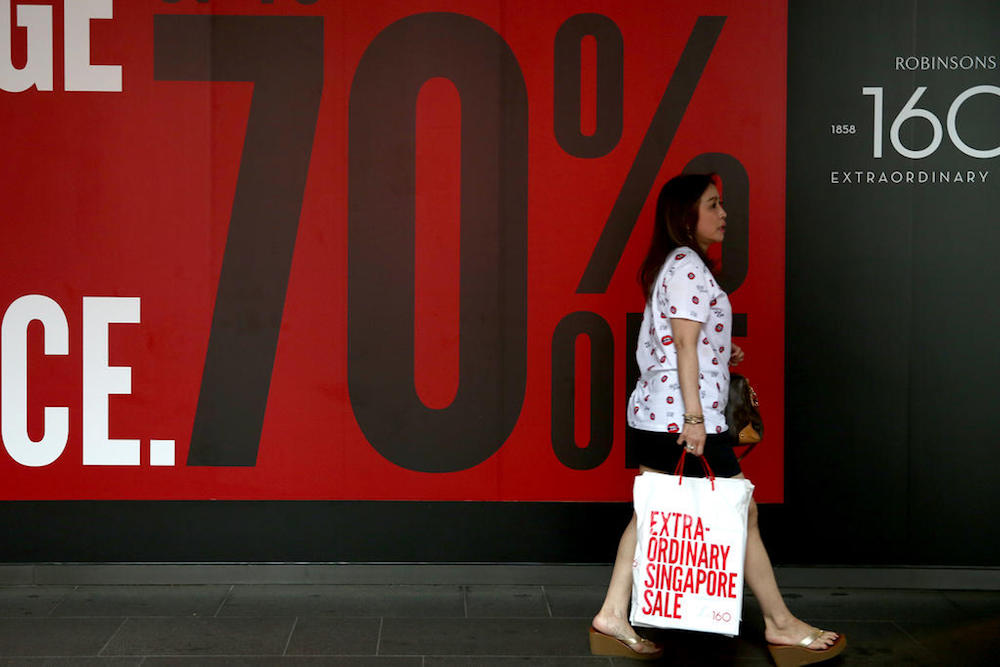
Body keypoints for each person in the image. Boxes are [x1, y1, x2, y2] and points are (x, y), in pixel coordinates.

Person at [588, 173, 846, 665]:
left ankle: (613, 614)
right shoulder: (686, 265)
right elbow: (683, 343)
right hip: (679, 417)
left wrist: (723, 350)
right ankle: (780, 623)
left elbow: (686, 341)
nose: (724, 213)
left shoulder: (679, 265)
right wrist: (694, 418)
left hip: (659, 412)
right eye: (713, 204)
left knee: (652, 509)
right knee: (739, 509)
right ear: (687, 216)